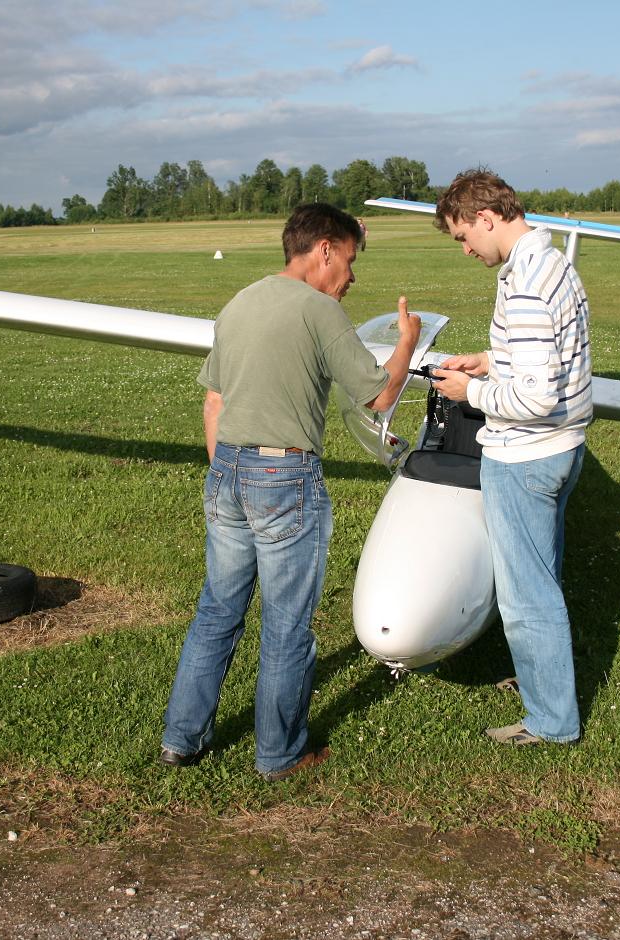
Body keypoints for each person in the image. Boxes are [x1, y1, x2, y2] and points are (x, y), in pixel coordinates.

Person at [161, 204, 422, 780]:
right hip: (285, 476)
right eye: (350, 261)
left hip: (225, 470)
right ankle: (279, 753)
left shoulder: (240, 302)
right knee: (286, 624)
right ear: (324, 250)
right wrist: (407, 341)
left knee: (216, 612)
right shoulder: (320, 310)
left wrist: (228, 474)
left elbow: (214, 400)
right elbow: (378, 398)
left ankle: (181, 739)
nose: (351, 278)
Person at [429, 169, 593, 746]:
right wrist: (487, 360)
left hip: (525, 457)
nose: (467, 249)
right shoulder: (553, 265)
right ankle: (539, 678)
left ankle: (551, 722)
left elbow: (535, 396)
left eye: (463, 237)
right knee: (541, 575)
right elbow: (539, 362)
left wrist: (466, 392)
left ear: (486, 218)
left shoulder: (524, 282)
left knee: (526, 595)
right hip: (563, 448)